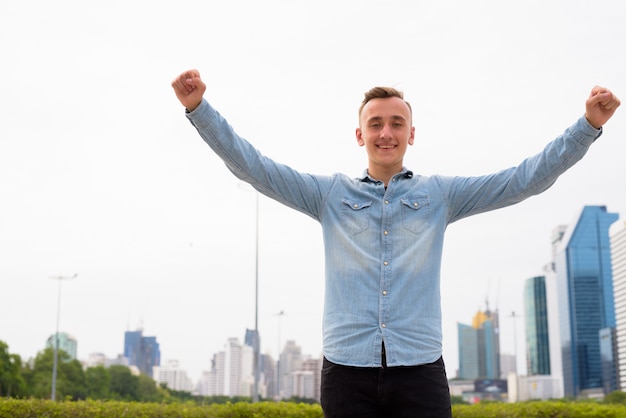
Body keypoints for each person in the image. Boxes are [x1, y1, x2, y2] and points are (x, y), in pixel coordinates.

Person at [171, 69, 620, 417]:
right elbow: (255, 167)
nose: (386, 133)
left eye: (397, 124)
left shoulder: (440, 196)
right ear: (360, 134)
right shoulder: (329, 195)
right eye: (376, 124)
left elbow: (523, 180)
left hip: (421, 371)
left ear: (411, 134)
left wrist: (587, 126)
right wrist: (200, 110)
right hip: (346, 370)